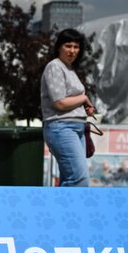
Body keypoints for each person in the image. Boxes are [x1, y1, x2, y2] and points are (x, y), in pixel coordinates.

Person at [40, 28, 95, 187]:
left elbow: (70, 99)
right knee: (79, 179)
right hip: (61, 127)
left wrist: (84, 106)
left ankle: (61, 204)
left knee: (69, 180)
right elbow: (59, 103)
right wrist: (84, 98)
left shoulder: (69, 68)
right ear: (59, 47)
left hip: (76, 128)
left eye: (76, 47)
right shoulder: (54, 66)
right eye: (68, 46)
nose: (72, 50)